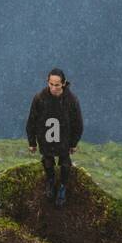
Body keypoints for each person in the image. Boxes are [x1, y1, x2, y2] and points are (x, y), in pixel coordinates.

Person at [26, 68, 83, 208]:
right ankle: (50, 181)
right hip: (45, 137)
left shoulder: (71, 100)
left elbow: (78, 123)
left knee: (65, 164)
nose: (53, 88)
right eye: (51, 84)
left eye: (57, 85)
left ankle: (62, 187)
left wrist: (74, 143)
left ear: (63, 83)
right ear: (47, 82)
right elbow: (32, 120)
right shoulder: (40, 97)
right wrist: (32, 142)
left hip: (64, 138)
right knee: (47, 161)